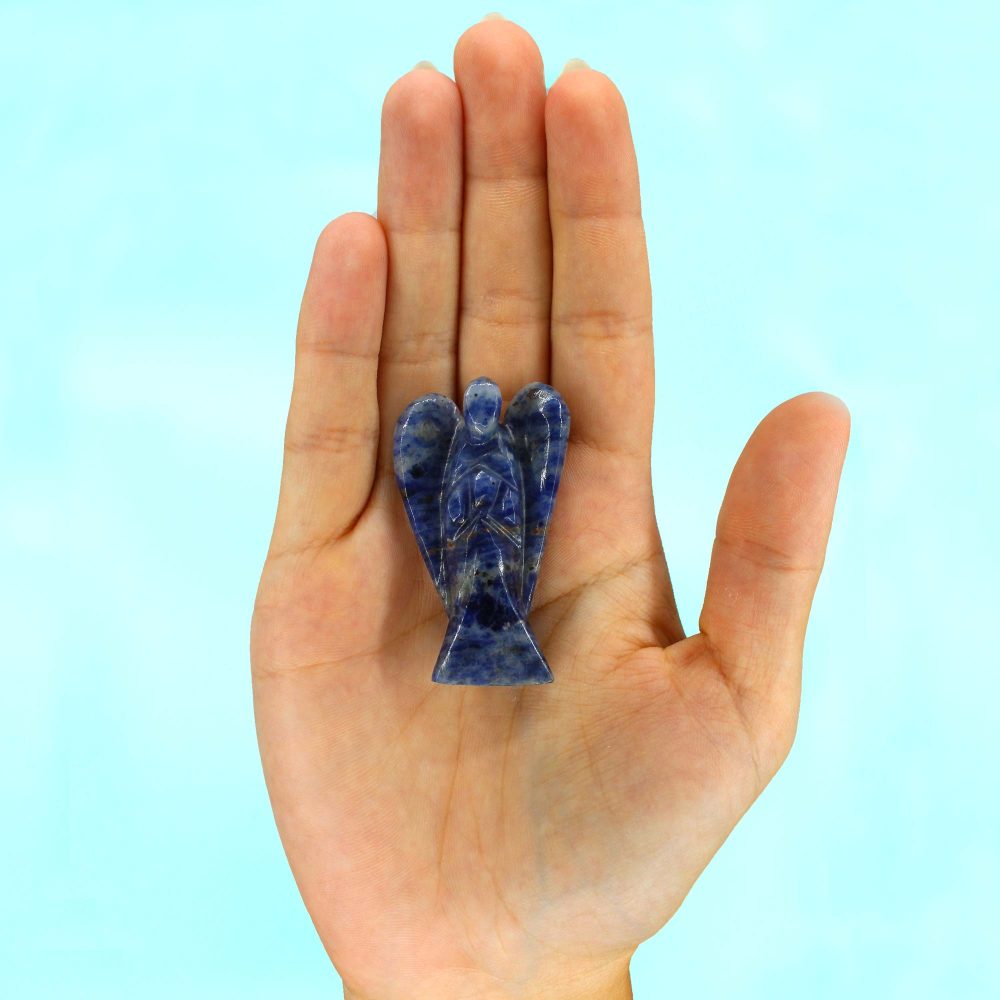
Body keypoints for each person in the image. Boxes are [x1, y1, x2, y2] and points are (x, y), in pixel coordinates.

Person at [250, 15, 850, 1000]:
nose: (482, 410)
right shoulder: (452, 446)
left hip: (500, 554)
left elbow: (509, 495)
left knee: (495, 530)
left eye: (490, 408)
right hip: (471, 560)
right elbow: (449, 492)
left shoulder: (513, 443)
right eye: (475, 408)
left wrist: (533, 977)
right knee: (476, 536)